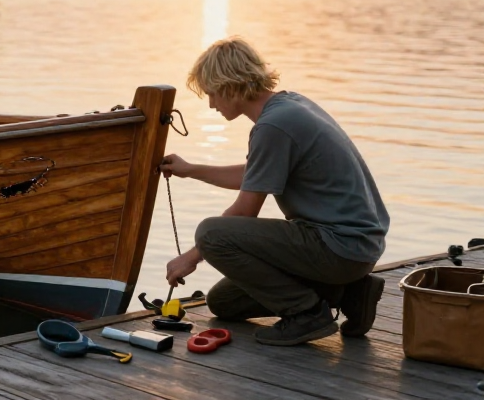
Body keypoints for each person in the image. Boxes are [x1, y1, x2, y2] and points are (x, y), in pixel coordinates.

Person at [161, 37, 390, 346]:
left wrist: (192, 255)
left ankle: (307, 315)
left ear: (229, 86)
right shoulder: (290, 105)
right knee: (224, 303)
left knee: (211, 233)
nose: (212, 104)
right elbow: (257, 174)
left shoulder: (274, 126)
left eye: (212, 94)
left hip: (340, 248)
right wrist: (192, 170)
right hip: (354, 250)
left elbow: (244, 212)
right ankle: (350, 294)